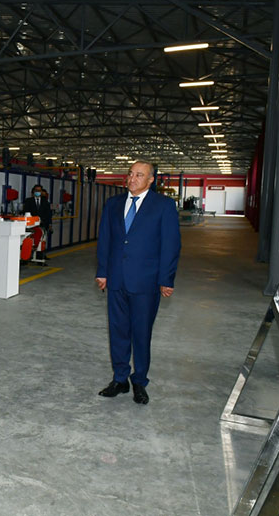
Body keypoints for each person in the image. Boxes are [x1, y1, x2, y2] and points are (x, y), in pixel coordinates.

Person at [94, 161, 180, 405]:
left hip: (146, 282)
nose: (132, 179)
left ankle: (139, 381)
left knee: (141, 333)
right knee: (118, 331)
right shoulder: (113, 204)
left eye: (139, 175)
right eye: (130, 174)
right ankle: (120, 379)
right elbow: (105, 239)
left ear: (151, 180)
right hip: (116, 279)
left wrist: (166, 279)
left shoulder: (163, 206)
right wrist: (103, 272)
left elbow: (171, 244)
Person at [23, 184, 52, 259]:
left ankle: (40, 256)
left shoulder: (45, 201)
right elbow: (25, 212)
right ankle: (28, 256)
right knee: (30, 239)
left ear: (41, 192)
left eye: (39, 190)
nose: (38, 192)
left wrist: (49, 224)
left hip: (43, 224)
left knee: (42, 240)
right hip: (32, 224)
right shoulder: (28, 201)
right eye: (36, 190)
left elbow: (48, 213)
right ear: (33, 191)